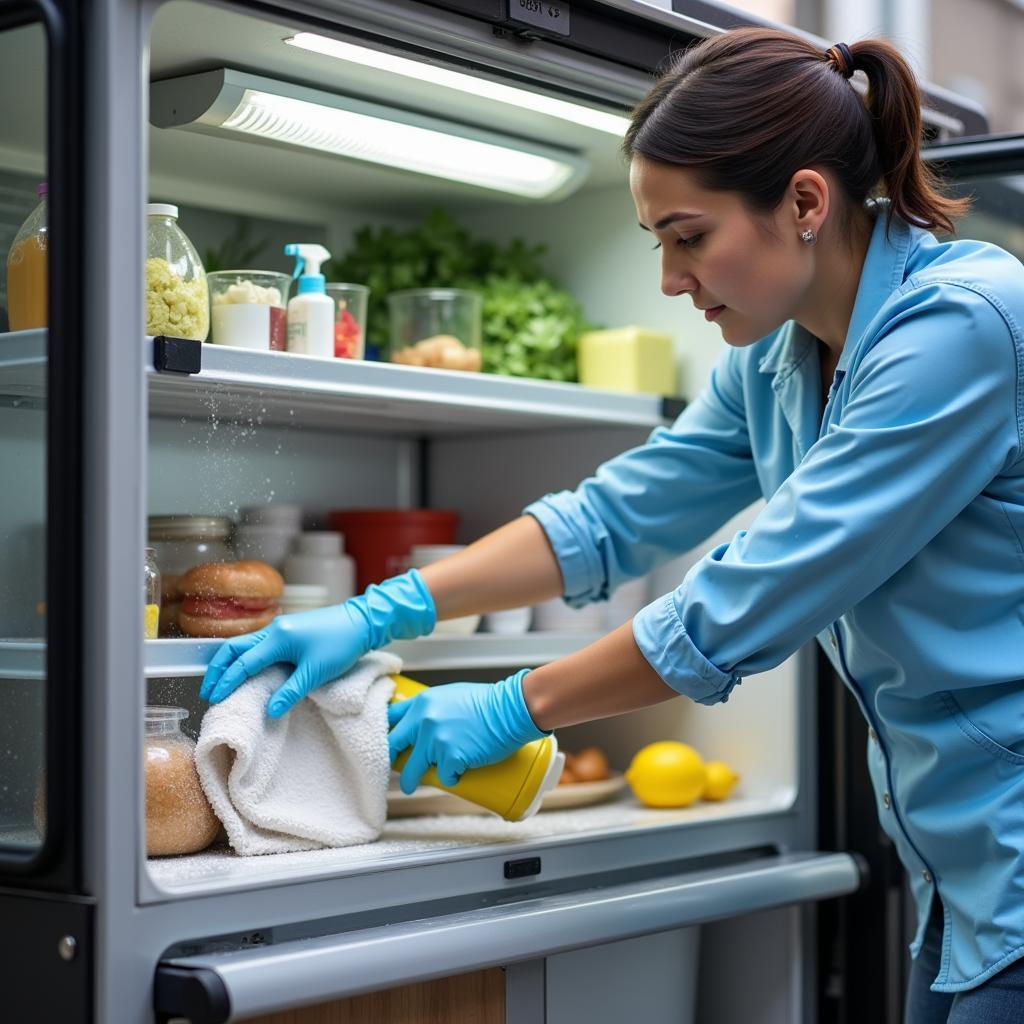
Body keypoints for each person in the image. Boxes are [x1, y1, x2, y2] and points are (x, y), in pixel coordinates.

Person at [200, 27, 1024, 1023]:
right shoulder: (776, 363)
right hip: (955, 862)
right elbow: (607, 518)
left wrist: (512, 707)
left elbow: (744, 602)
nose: (672, 279)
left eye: (689, 236)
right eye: (658, 244)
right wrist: (384, 609)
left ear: (804, 203)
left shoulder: (959, 327)